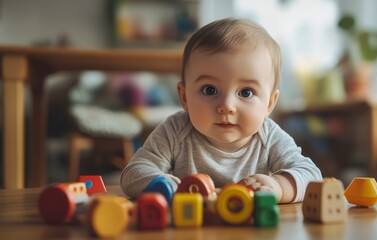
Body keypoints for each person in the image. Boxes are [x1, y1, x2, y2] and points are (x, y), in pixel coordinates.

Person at [121, 18, 322, 203]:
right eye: (210, 90)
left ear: (269, 103)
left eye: (245, 92)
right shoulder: (175, 131)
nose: (226, 106)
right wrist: (169, 186)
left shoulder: (268, 136)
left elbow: (311, 175)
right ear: (184, 97)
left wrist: (279, 186)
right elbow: (133, 174)